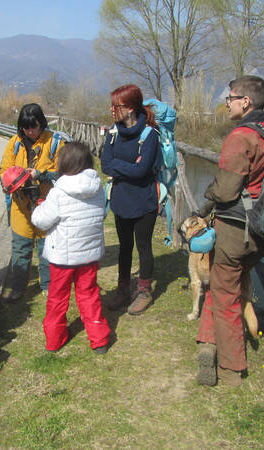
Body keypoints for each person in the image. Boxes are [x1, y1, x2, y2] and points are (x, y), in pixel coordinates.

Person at [196, 75, 264, 387]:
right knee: (222, 283)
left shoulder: (241, 136)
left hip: (236, 229)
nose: (226, 102)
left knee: (226, 293)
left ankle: (231, 369)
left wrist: (207, 197)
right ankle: (207, 342)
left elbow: (227, 189)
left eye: (230, 97)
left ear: (246, 101)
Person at [31, 142, 111, 353]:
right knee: (89, 295)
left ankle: (54, 340)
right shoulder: (98, 189)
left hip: (63, 257)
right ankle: (100, 340)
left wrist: (40, 207)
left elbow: (41, 221)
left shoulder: (58, 192)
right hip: (89, 254)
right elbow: (100, 213)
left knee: (58, 298)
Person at [100, 84, 160, 315]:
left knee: (144, 246)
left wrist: (119, 166)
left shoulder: (150, 135)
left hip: (144, 200)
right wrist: (129, 167)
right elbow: (105, 164)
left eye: (116, 106)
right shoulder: (113, 133)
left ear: (131, 108)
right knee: (125, 247)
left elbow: (142, 170)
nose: (111, 110)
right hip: (121, 199)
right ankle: (123, 289)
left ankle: (144, 291)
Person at [0, 103, 63, 301]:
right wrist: (8, 183)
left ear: (41, 123)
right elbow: (4, 170)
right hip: (20, 205)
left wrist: (41, 174)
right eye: (26, 127)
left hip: (46, 203)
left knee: (46, 246)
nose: (30, 131)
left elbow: (63, 172)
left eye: (34, 126)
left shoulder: (55, 142)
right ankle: (18, 288)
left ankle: (48, 285)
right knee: (20, 246)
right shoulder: (15, 143)